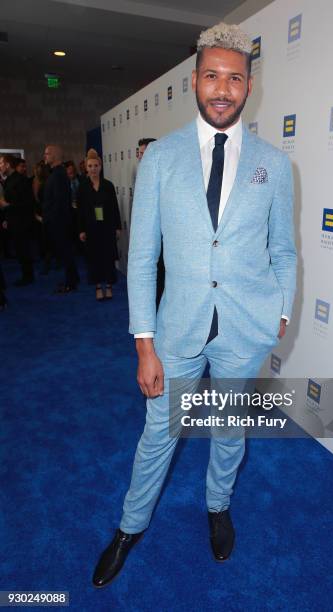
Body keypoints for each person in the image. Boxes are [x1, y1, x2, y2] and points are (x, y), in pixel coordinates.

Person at [93, 22, 297, 587]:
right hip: (176, 328)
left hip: (244, 326)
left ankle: (218, 505)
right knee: (159, 433)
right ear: (195, 82)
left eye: (235, 77)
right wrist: (143, 344)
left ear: (249, 86)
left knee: (229, 428)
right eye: (212, 76)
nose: (223, 88)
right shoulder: (159, 157)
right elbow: (140, 258)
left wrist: (282, 309)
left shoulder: (275, 165)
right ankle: (129, 527)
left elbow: (283, 248)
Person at [78, 149, 121, 300]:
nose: (93, 169)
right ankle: (97, 286)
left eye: (96, 166)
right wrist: (81, 230)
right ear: (86, 168)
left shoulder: (108, 185)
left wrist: (117, 227)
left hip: (107, 227)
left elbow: (115, 207)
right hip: (91, 228)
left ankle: (109, 286)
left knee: (108, 257)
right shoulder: (82, 187)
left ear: (100, 167)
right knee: (94, 258)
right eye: (90, 166)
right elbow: (80, 211)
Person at [43, 144, 79, 293]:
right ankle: (73, 278)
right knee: (66, 253)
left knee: (66, 253)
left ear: (55, 156)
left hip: (59, 223)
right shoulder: (57, 173)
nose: (44, 156)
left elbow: (59, 202)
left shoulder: (58, 175)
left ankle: (71, 283)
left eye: (47, 153)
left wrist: (51, 221)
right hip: (60, 221)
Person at [137, 137, 165, 307]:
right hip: (146, 241)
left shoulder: (167, 177)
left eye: (144, 153)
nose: (140, 158)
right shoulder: (142, 175)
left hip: (163, 241)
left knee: (161, 280)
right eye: (139, 154)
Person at [0, 154, 35, 286]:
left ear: (8, 165)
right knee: (20, 250)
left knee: (24, 250)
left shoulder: (21, 180)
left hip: (22, 222)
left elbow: (27, 203)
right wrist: (6, 218)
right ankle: (26, 274)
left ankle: (28, 276)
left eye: (1, 163)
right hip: (14, 220)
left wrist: (7, 206)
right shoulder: (9, 180)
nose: (0, 166)